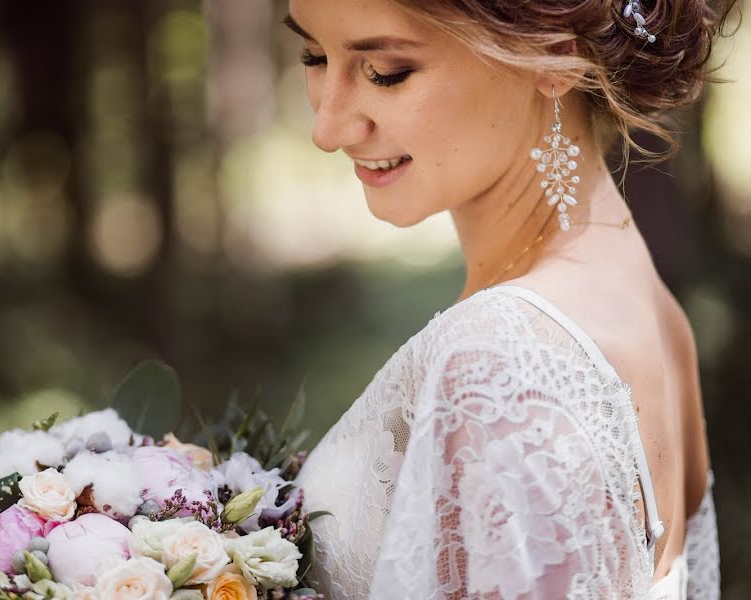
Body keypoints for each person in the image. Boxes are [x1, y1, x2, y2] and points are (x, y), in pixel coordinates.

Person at [286, 0, 736, 598]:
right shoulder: (647, 304)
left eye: (386, 72)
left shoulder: (499, 361)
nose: (328, 128)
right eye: (315, 56)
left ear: (554, 56)